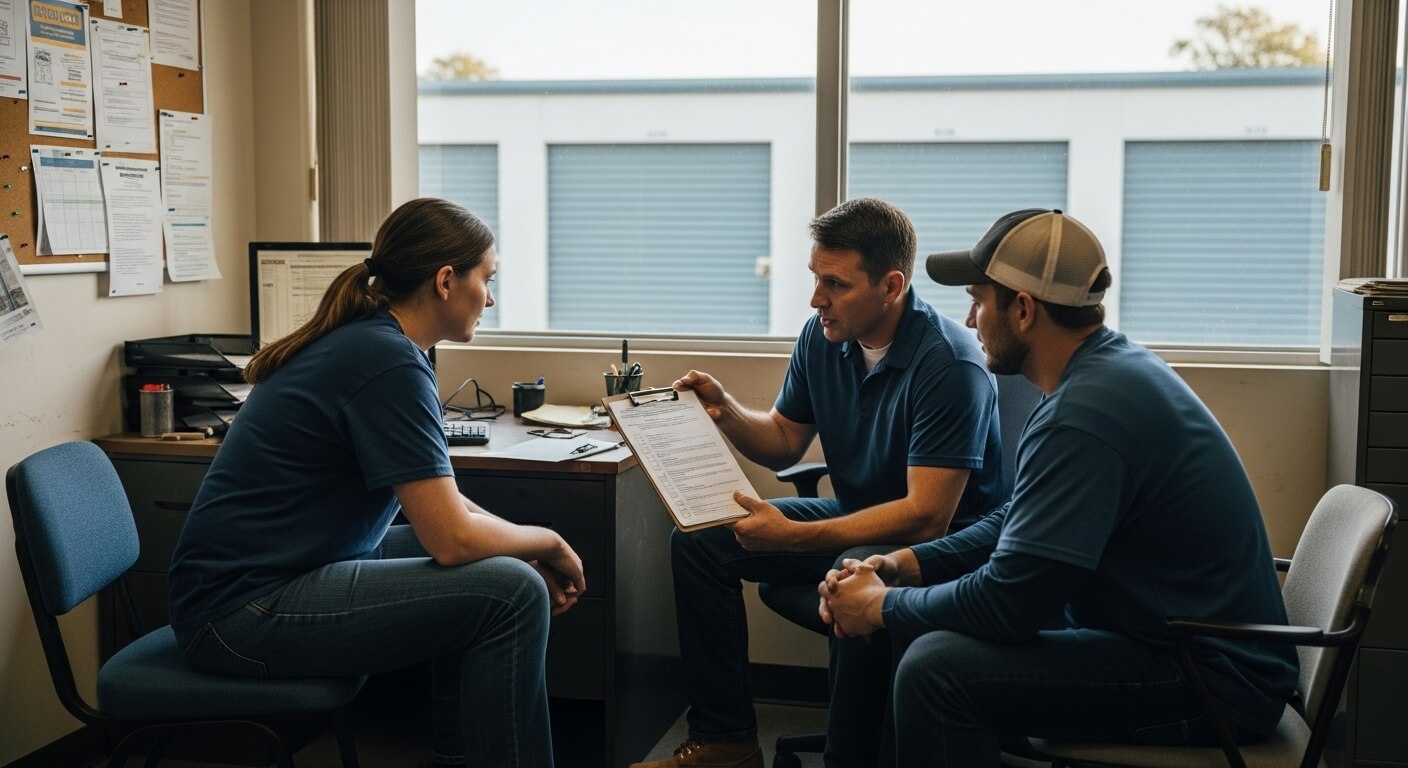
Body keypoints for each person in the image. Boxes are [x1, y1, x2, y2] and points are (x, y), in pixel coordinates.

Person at [819, 208, 1300, 767]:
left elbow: (1008, 604)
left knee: (937, 670)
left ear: (1023, 309)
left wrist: (885, 607)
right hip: (1168, 643)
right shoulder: (1104, 370)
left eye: (979, 299)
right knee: (924, 633)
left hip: (1209, 680)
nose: (971, 321)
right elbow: (1018, 520)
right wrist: (906, 564)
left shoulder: (1084, 413)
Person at [167, 197, 585, 768]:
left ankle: (461, 754)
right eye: (486, 280)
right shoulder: (385, 360)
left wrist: (524, 541)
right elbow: (451, 538)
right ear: (445, 281)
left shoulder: (378, 344)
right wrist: (550, 541)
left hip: (281, 576)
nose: (490, 297)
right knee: (510, 592)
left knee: (499, 572)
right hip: (237, 616)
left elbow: (445, 507)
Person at [633, 197, 1006, 768]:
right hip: (861, 519)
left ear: (891, 284)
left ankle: (848, 757)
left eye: (834, 284)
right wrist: (727, 411)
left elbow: (927, 515)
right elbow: (784, 438)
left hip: (942, 547)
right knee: (700, 542)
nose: (816, 299)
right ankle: (726, 739)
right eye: (814, 278)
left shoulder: (949, 365)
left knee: (855, 563)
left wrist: (792, 537)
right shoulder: (823, 336)